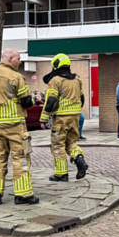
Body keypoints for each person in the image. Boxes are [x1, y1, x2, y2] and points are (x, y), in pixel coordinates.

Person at [0, 47, 37, 205]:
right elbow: (26, 101)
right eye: (18, 59)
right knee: (20, 158)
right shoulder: (16, 77)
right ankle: (23, 195)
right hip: (14, 124)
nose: (20, 62)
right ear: (9, 59)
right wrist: (33, 99)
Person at [40, 53, 88, 182]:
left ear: (56, 65)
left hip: (61, 118)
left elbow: (50, 101)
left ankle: (61, 174)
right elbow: (82, 99)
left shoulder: (55, 81)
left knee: (57, 144)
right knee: (71, 142)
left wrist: (43, 118)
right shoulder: (77, 80)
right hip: (75, 117)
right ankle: (79, 158)